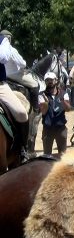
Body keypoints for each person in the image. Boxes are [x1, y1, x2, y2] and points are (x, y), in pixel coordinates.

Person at [0, 30, 29, 162]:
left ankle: (23, 148)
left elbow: (3, 57)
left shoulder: (3, 41)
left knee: (21, 113)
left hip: (0, 86)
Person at [0, 29, 40, 112]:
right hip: (15, 75)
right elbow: (22, 64)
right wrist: (24, 66)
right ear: (9, 38)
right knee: (35, 84)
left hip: (5, 76)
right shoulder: (11, 50)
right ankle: (35, 108)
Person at [39, 71, 71, 157]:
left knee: (63, 155)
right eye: (47, 80)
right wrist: (46, 103)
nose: (49, 82)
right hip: (47, 129)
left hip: (61, 128)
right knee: (47, 155)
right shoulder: (42, 95)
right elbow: (43, 112)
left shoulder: (64, 93)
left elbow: (68, 109)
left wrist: (62, 101)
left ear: (56, 80)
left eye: (51, 80)